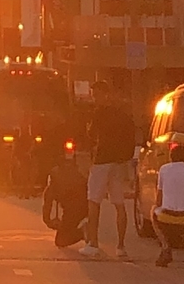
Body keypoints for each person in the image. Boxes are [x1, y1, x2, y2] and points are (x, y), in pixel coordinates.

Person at [80, 81, 135, 260]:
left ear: (103, 94)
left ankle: (93, 243)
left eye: (96, 94)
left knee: (93, 202)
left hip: (102, 160)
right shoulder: (124, 115)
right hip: (119, 163)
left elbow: (91, 135)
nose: (95, 98)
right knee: (119, 204)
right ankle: (121, 246)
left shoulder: (99, 113)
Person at [42, 146, 89, 248]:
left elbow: (48, 202)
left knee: (61, 241)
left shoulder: (54, 178)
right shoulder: (77, 172)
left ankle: (83, 232)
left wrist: (48, 221)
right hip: (88, 205)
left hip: (73, 209)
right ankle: (88, 232)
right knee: (69, 224)